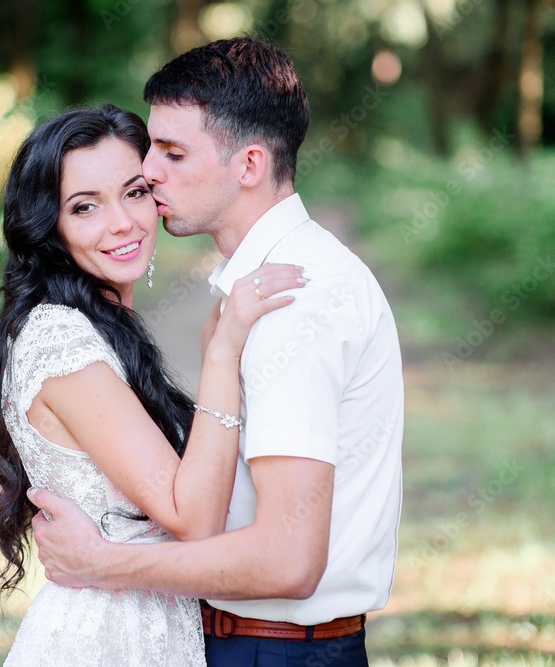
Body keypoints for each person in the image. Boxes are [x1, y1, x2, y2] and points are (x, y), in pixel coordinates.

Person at [28, 37, 405, 667]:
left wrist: (104, 564)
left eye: (173, 153)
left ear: (249, 164)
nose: (149, 171)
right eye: (153, 148)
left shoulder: (293, 301)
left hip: (274, 652)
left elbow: (288, 560)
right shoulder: (253, 295)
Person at [0, 103, 306, 666]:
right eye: (85, 207)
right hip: (103, 639)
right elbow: (192, 518)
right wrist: (221, 355)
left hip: (149, 628)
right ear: (50, 226)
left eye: (135, 192)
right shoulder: (59, 339)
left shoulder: (103, 329)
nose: (120, 222)